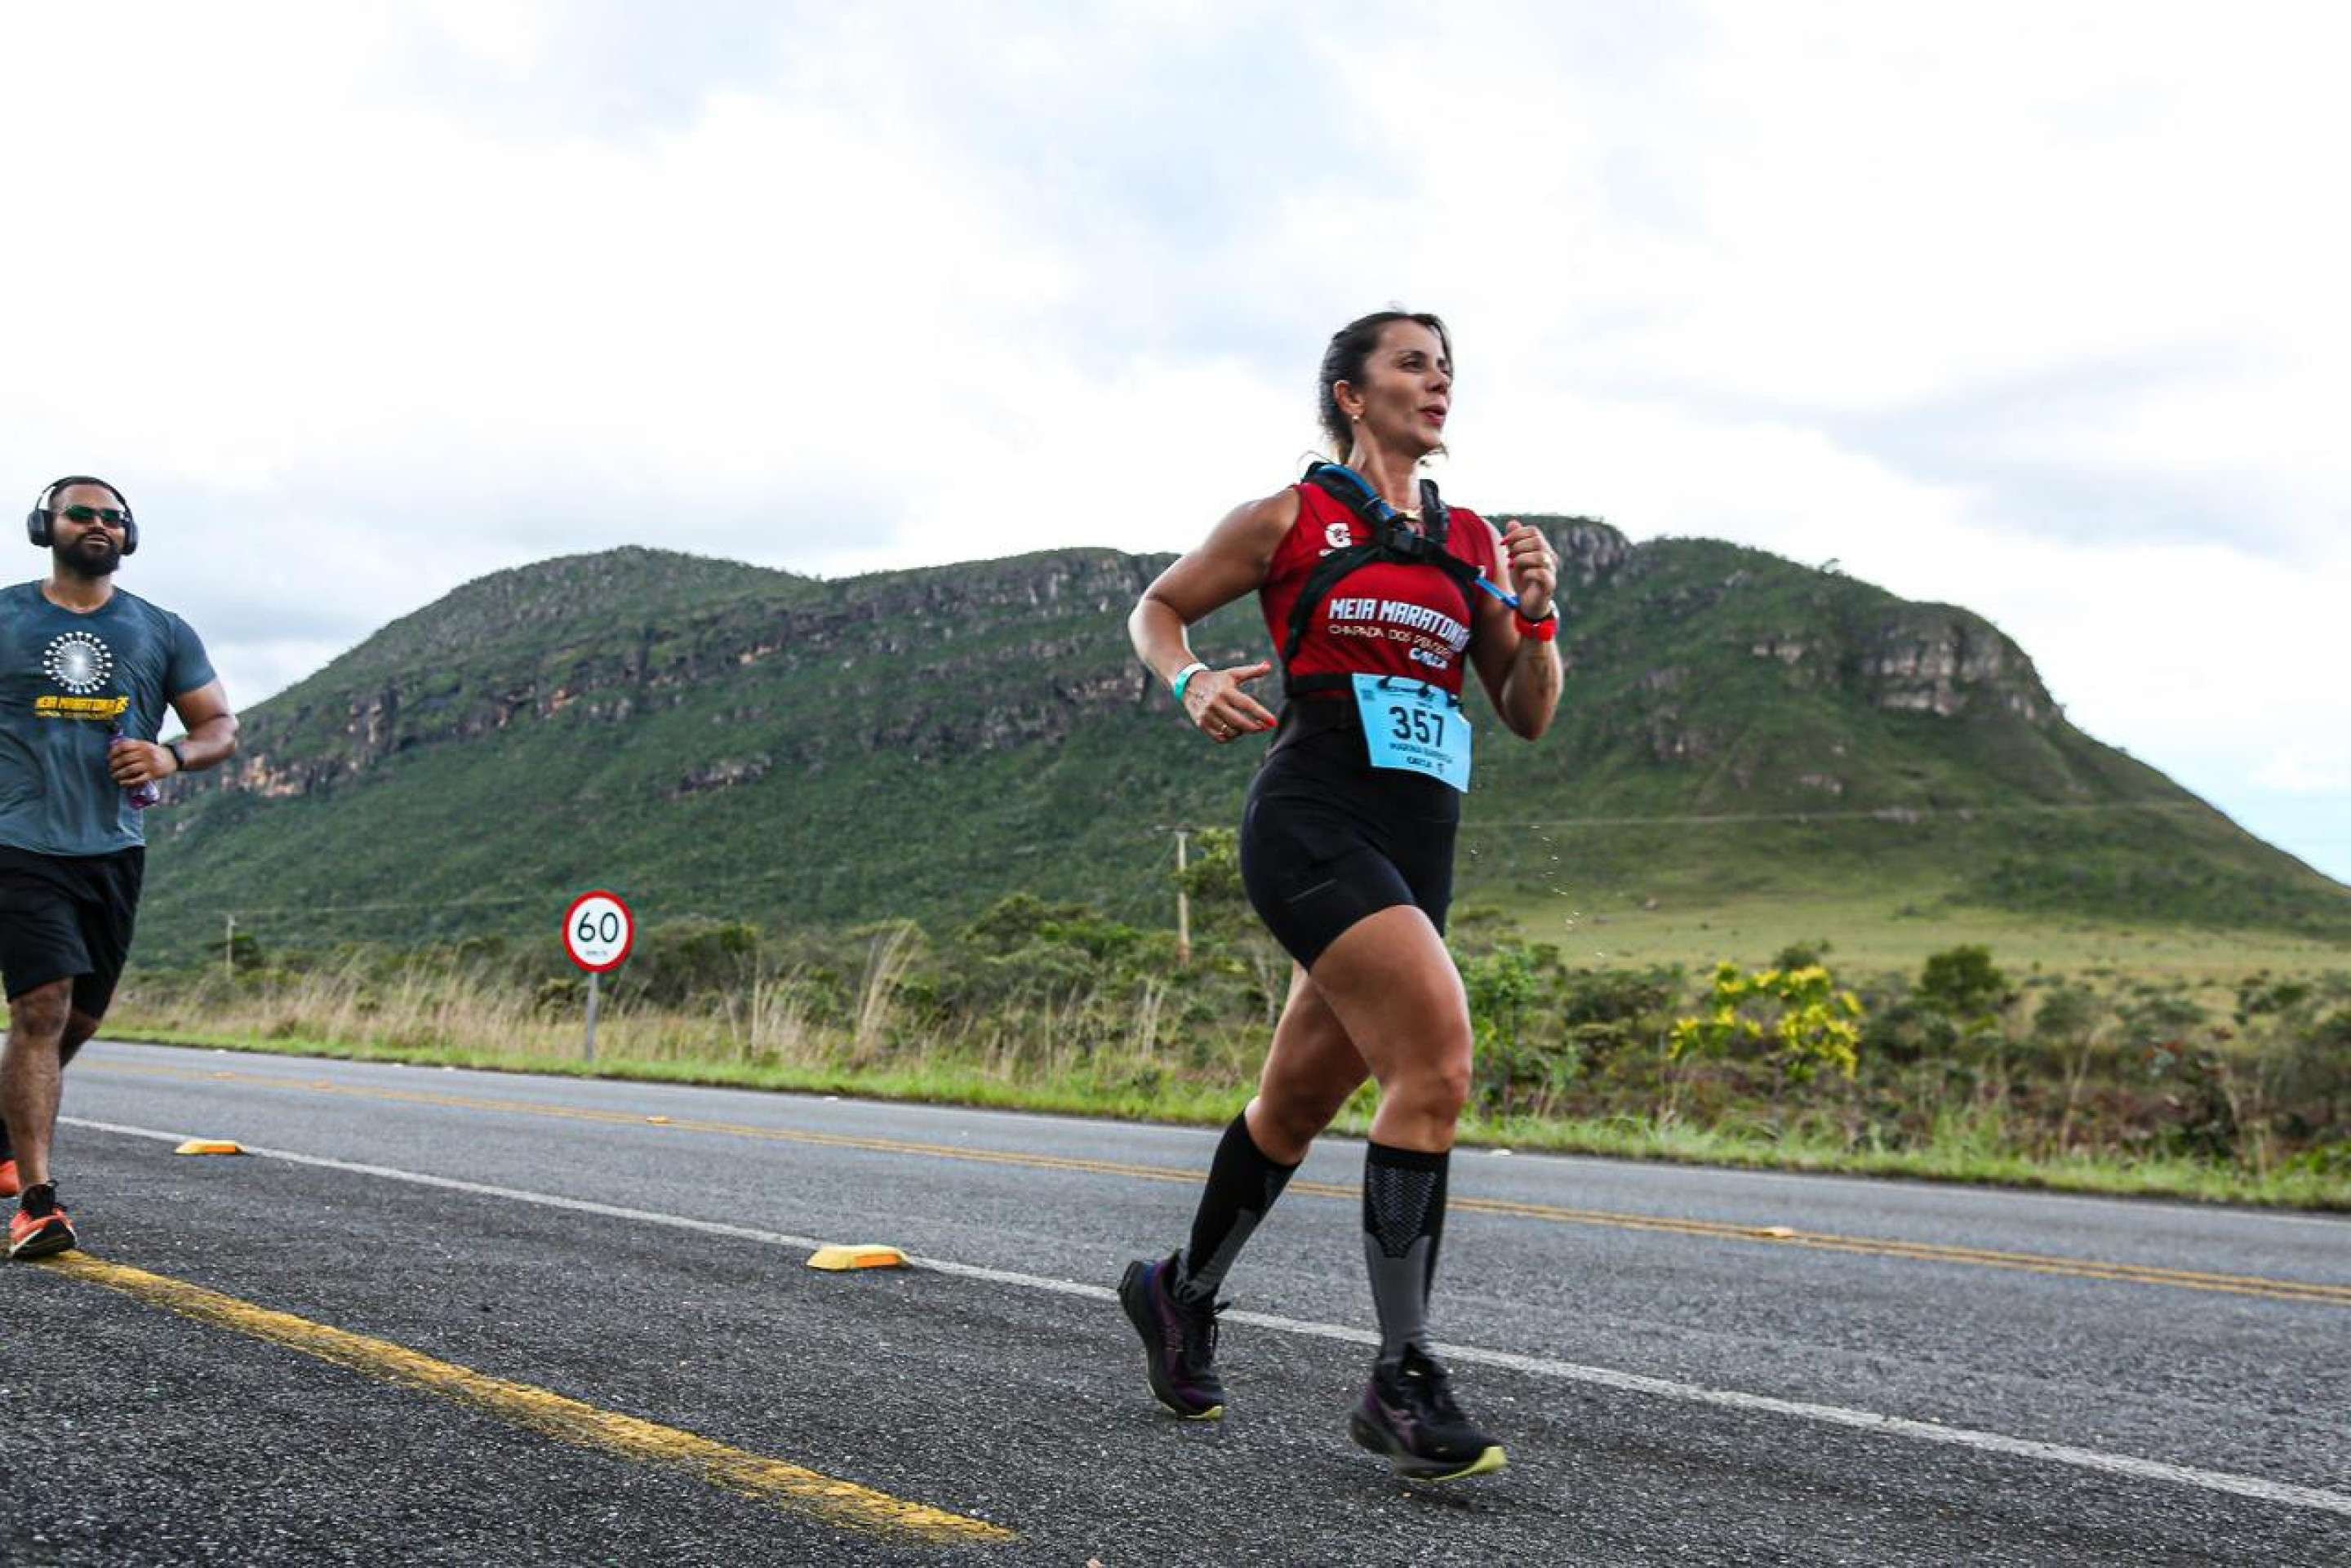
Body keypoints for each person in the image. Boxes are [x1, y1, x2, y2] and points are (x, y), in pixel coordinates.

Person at [1117, 311, 1564, 1481]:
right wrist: (1190, 678)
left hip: (1420, 845)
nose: (1438, 382)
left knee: (1295, 1105)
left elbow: (1527, 709)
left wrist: (1538, 612)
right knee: (1438, 1063)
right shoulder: (1288, 516)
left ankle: (1178, 1293)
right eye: (1412, 364)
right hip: (1312, 820)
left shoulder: (1471, 538)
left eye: (1447, 367)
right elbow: (1157, 608)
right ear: (1351, 396)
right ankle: (1400, 1377)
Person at [1, 476, 238, 1259]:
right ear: (46, 526)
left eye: (112, 516)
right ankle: (38, 1203)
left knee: (80, 1020)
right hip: (18, 843)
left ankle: (2, 1131)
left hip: (113, 848)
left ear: (128, 536)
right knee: (41, 1007)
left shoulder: (161, 630)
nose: (97, 524)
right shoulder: (5, 616)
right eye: (80, 513)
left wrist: (171, 755)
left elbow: (218, 724)